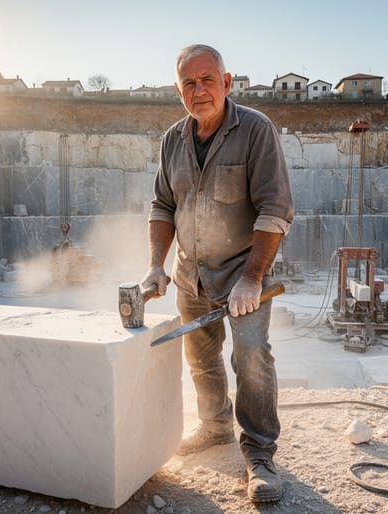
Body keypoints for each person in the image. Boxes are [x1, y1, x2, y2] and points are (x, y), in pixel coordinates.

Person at [141, 44, 294, 503]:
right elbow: (163, 206)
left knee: (250, 357)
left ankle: (260, 452)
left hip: (244, 271)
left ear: (227, 83)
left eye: (208, 80)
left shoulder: (255, 131)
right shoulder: (173, 140)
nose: (199, 89)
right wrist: (156, 265)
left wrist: (252, 278)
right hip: (192, 275)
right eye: (189, 82)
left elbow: (276, 207)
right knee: (201, 360)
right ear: (178, 90)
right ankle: (214, 427)